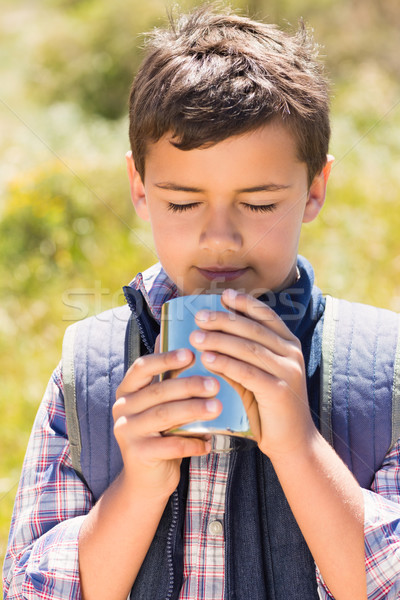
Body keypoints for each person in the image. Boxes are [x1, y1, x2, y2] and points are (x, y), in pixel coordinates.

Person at [3, 4, 400, 600]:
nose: (220, 238)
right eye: (183, 203)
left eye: (261, 204)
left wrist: (300, 447)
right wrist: (138, 487)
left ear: (315, 188)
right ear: (139, 188)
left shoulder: (384, 370)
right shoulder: (88, 371)